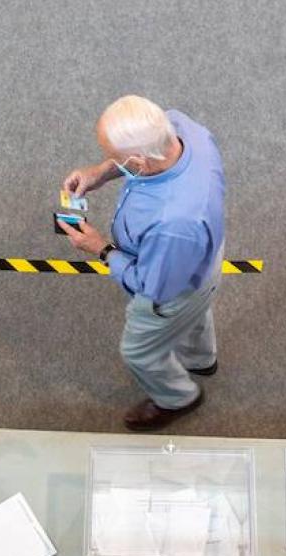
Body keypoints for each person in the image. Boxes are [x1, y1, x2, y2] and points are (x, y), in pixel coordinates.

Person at [60, 95, 225, 431]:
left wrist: (100, 247)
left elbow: (151, 285)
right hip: (201, 264)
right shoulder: (181, 128)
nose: (110, 161)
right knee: (196, 314)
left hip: (170, 284)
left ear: (138, 160)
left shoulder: (174, 224)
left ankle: (178, 397)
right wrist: (100, 174)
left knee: (138, 351)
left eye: (115, 158)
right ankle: (201, 359)